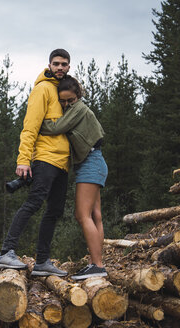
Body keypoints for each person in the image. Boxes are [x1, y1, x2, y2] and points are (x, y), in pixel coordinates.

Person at [0, 49, 71, 277]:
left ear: (68, 67)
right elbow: (30, 127)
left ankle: (42, 261)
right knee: (34, 202)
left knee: (55, 210)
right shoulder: (43, 89)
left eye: (64, 64)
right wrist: (23, 160)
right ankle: (6, 252)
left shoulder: (63, 92)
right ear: (49, 65)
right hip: (45, 158)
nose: (59, 67)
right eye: (56, 63)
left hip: (63, 163)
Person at [40, 75, 108, 280]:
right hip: (95, 162)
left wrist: (36, 123)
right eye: (63, 101)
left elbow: (56, 127)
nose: (67, 104)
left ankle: (97, 265)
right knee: (95, 215)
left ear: (78, 96)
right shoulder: (77, 108)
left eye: (71, 100)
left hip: (91, 164)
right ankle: (95, 263)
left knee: (82, 215)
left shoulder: (79, 109)